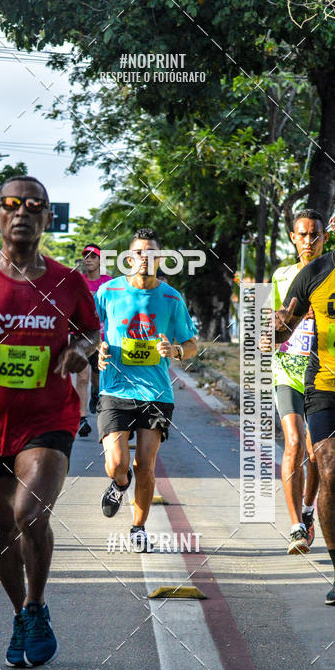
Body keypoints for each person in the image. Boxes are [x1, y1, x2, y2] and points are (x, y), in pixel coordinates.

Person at [0, 176, 100, 665]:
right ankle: (20, 614)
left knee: (30, 514)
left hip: (49, 418)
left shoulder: (68, 283)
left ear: (49, 218)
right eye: (12, 204)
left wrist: (78, 351)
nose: (23, 211)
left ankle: (37, 602)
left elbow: (91, 332)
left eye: (35, 205)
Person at [95, 228, 198, 551]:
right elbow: (85, 330)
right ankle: (119, 483)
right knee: (118, 464)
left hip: (155, 394)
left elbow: (191, 343)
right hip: (115, 390)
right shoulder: (108, 292)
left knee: (146, 466)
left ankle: (138, 527)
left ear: (161, 259)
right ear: (129, 257)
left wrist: (177, 352)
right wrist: (96, 349)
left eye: (151, 253)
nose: (144, 258)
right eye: (139, 252)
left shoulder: (171, 298)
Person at [274, 195, 335, 605]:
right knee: (331, 465)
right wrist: (277, 330)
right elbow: (287, 321)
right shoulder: (315, 274)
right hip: (326, 388)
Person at [259, 211, 326, 554]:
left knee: (315, 451)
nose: (308, 242)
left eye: (315, 235)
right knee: (295, 443)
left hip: (324, 374)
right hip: (287, 370)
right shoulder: (282, 275)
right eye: (302, 235)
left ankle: (308, 509)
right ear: (292, 238)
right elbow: (274, 318)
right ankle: (297, 528)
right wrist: (268, 334)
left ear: (325, 238)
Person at [74, 244, 111, 437]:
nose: (88, 259)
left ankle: (96, 393)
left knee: (96, 378)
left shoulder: (109, 283)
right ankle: (81, 419)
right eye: (85, 256)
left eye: (93, 257)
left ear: (100, 260)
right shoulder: (77, 282)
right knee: (82, 377)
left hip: (102, 338)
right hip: (80, 337)